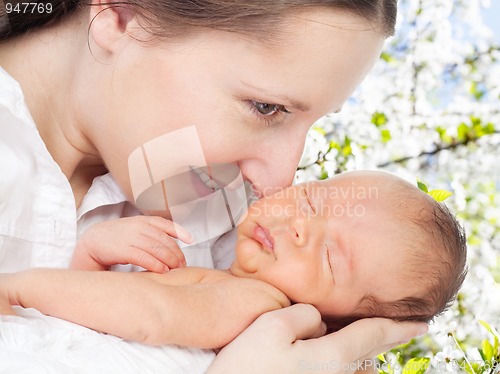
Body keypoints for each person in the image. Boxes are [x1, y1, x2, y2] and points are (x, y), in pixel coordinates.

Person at [0, 0, 429, 372]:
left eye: (313, 123)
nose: (279, 180)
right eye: (266, 108)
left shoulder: (228, 229)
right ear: (119, 15)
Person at [1, 171, 467, 351]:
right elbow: (100, 332)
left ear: (332, 323)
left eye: (328, 256)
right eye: (309, 199)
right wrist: (92, 257)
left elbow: (151, 316)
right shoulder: (229, 287)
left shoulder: (260, 307)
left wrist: (19, 287)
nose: (300, 225)